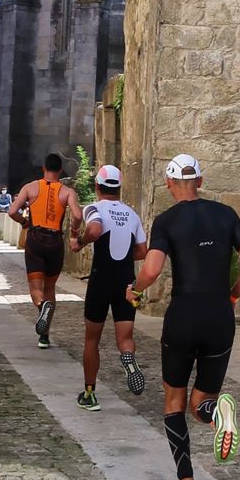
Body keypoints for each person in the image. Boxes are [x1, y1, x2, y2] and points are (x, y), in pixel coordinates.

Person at [126, 154, 240, 480]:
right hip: (220, 318)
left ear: (170, 184)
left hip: (183, 318)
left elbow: (152, 270)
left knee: (174, 402)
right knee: (201, 405)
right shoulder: (226, 214)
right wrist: (233, 295)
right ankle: (219, 416)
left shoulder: (167, 220)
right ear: (200, 182)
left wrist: (133, 288)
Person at [70, 165, 147, 411]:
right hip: (126, 281)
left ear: (97, 187)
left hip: (101, 278)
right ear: (119, 187)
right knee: (125, 337)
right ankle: (128, 358)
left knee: (92, 339)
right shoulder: (132, 213)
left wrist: (80, 242)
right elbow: (143, 251)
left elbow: (94, 229)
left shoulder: (94, 208)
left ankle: (90, 394)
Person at [9, 153, 82, 348]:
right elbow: (77, 214)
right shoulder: (68, 192)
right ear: (60, 171)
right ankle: (44, 337)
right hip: (55, 241)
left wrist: (25, 222)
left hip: (35, 238)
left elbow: (11, 211)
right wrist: (74, 231)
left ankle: (42, 307)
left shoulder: (30, 187)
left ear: (44, 168)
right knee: (50, 289)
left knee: (35, 288)